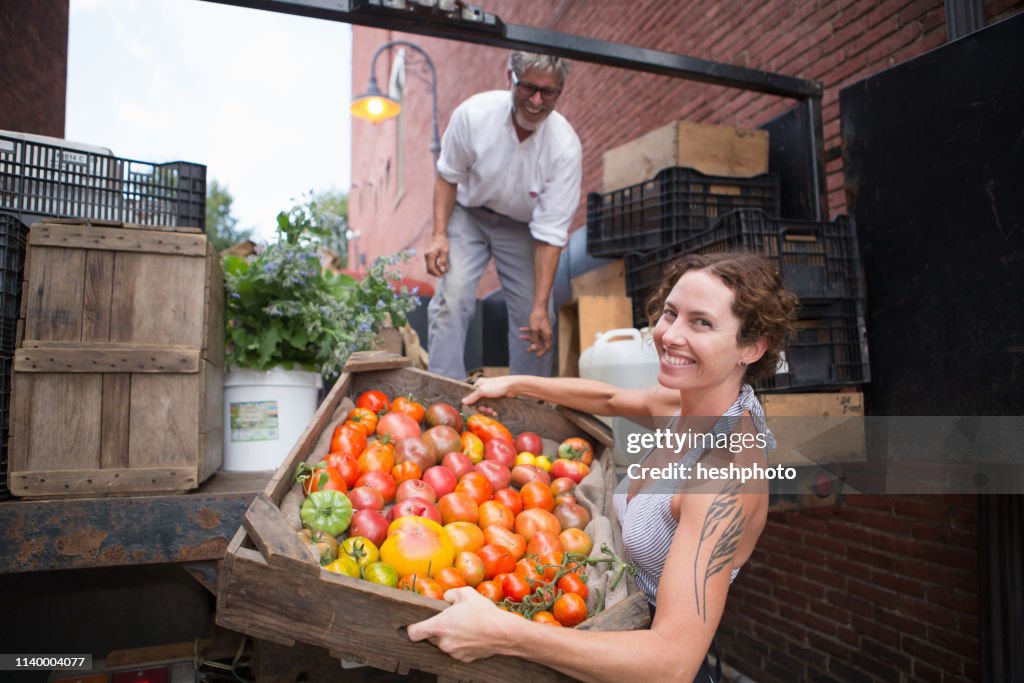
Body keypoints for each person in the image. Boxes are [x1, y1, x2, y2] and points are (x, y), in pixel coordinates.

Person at [408, 251, 799, 682]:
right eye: (671, 313)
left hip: (634, 659)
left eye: (701, 322)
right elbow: (609, 399)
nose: (671, 335)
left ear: (752, 347)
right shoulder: (687, 401)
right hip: (607, 622)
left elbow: (672, 664)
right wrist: (518, 383)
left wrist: (506, 633)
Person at [424, 50, 582, 381]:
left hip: (524, 227)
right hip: (468, 214)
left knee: (536, 317)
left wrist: (541, 305)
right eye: (528, 88)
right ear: (509, 75)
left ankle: (526, 405)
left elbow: (551, 233)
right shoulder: (473, 115)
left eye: (548, 92)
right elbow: (448, 175)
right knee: (451, 297)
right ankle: (442, 396)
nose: (537, 101)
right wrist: (439, 234)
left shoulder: (565, 147)